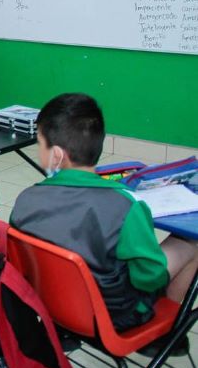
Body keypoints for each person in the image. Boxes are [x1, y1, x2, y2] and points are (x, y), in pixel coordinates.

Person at [11, 93, 198, 332]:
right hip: (113, 319)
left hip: (50, 305)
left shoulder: (26, 199)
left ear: (57, 155)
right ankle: (167, 331)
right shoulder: (126, 206)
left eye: (39, 143)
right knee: (189, 244)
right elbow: (149, 277)